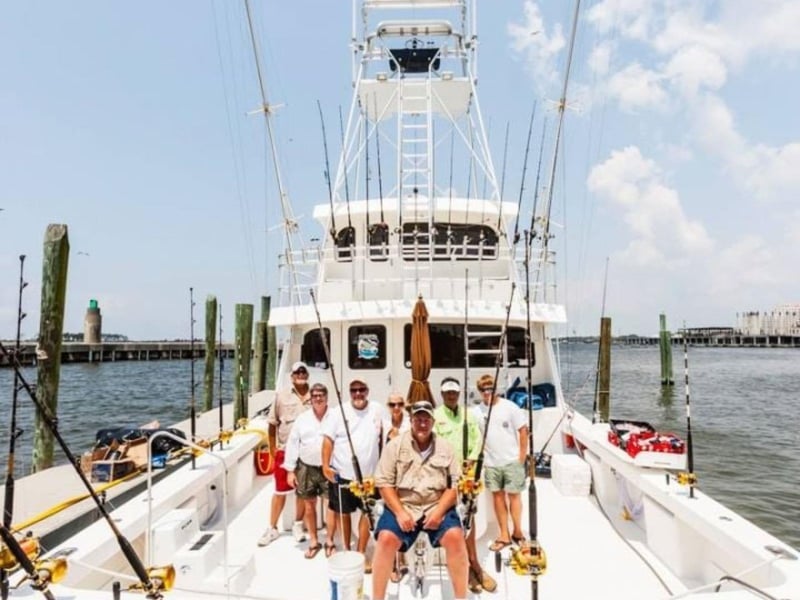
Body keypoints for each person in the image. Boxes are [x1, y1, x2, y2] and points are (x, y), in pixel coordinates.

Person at [372, 400, 468, 600]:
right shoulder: (395, 446)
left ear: (433, 422)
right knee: (385, 539)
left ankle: (461, 597)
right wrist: (399, 513)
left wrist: (439, 512)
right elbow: (383, 483)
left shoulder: (446, 447)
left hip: (437, 505)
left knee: (456, 537)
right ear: (411, 421)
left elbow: (454, 487)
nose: (422, 424)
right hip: (404, 505)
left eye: (426, 419)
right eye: (418, 419)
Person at [433, 377, 497, 594]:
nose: (451, 395)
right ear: (442, 394)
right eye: (447, 392)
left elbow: (477, 440)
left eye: (454, 392)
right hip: (445, 479)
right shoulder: (436, 416)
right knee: (452, 523)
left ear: (459, 394)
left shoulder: (469, 414)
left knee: (468, 519)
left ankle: (475, 564)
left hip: (467, 476)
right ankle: (464, 566)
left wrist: (470, 459)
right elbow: (433, 445)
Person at [321, 378, 383, 564]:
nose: (358, 393)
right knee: (344, 513)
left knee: (368, 513)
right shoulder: (337, 412)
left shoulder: (377, 409)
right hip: (343, 475)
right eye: (353, 390)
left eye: (361, 389)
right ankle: (347, 549)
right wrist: (325, 466)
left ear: (367, 391)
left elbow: (387, 433)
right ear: (349, 392)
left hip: (370, 477)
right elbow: (327, 440)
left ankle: (361, 551)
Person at [473, 373, 528, 552]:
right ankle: (504, 534)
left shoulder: (510, 407)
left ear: (496, 389)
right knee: (497, 497)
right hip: (490, 463)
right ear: (480, 391)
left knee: (514, 497)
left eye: (490, 388)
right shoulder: (476, 412)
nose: (487, 392)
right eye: (483, 389)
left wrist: (521, 457)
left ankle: (518, 532)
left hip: (512, 461)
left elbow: (523, 431)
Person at [259, 361, 311, 546]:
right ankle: (272, 528)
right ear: (292, 376)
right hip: (285, 450)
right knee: (279, 491)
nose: (300, 374)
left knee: (302, 492)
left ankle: (298, 524)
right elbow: (272, 424)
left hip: (307, 453)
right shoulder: (281, 396)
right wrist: (273, 450)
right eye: (297, 372)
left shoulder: (315, 396)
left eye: (303, 371)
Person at [283, 383, 333, 559]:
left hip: (329, 467)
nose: (318, 398)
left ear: (327, 397)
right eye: (315, 395)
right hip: (306, 467)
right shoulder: (302, 419)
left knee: (330, 506)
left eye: (321, 395)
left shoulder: (335, 416)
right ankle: (313, 541)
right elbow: (292, 443)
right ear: (310, 399)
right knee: (309, 505)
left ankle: (330, 541)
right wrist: (290, 470)